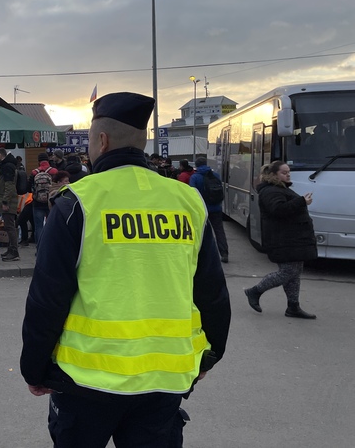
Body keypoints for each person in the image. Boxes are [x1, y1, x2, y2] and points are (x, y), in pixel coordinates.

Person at [21, 92, 231, 448]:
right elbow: (211, 289)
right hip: (165, 379)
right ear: (144, 140)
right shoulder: (186, 201)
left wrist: (35, 368)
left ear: (101, 141)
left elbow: (48, 297)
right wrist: (211, 354)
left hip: (86, 381)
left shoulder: (78, 202)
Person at [244, 161, 317, 319]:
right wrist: (301, 202)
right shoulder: (271, 191)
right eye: (284, 172)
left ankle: (293, 307)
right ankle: (254, 291)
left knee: (295, 272)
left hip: (291, 238)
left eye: (289, 172)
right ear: (274, 175)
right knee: (288, 272)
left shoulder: (278, 189)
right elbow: (278, 210)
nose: (288, 175)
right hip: (284, 239)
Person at [189, 156, 229, 263]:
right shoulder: (215, 175)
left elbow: (192, 194)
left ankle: (202, 256)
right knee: (219, 230)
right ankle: (224, 252)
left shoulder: (195, 177)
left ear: (196, 165)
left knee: (201, 232)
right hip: (216, 208)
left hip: (202, 209)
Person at [0, 148, 20, 262]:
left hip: (8, 201)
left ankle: (14, 252)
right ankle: (10, 250)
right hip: (7, 200)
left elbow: (9, 186)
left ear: (0, 155)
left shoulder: (7, 166)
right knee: (8, 226)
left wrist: (5, 202)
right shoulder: (7, 165)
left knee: (9, 226)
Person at [29, 152, 58, 247]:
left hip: (37, 203)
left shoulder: (34, 172)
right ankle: (52, 246)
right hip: (51, 202)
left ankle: (40, 248)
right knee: (52, 225)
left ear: (38, 161)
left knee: (38, 227)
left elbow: (30, 187)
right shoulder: (54, 171)